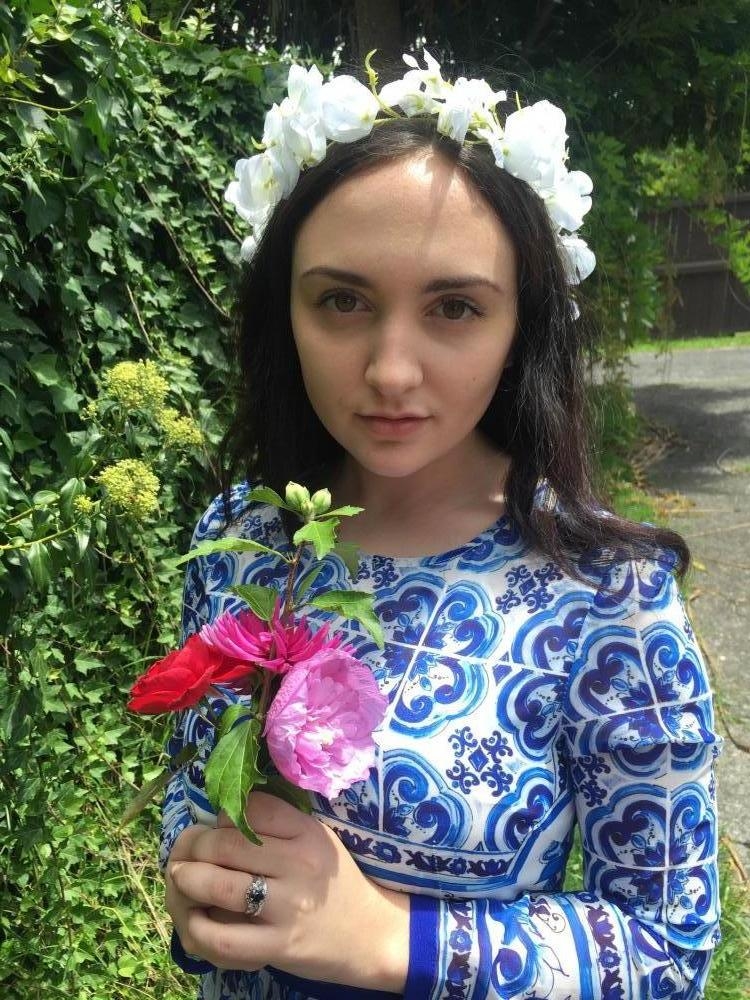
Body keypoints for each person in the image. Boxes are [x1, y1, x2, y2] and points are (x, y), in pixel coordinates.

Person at [160, 52, 721, 1000]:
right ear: (283, 310)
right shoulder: (242, 541)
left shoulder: (607, 594)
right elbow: (195, 795)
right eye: (342, 300)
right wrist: (205, 900)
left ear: (521, 326)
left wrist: (391, 940)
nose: (391, 370)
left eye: (455, 307)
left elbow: (669, 949)